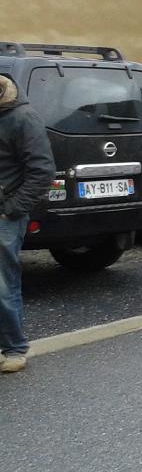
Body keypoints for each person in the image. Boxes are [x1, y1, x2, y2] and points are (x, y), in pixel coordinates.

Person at [0, 74, 55, 374]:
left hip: (5, 217)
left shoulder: (22, 117)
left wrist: (12, 210)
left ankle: (14, 348)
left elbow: (43, 171)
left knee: (3, 285)